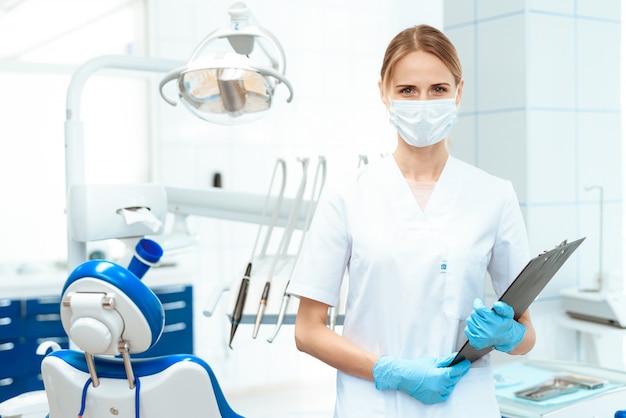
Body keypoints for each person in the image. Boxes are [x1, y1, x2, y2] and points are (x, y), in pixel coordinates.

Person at [287, 24, 536, 417]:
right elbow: (308, 330)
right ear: (385, 94)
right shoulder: (347, 194)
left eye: (438, 89)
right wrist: (390, 371)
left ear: (458, 92)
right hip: (372, 403)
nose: (423, 102)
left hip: (464, 403)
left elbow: (526, 336)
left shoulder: (494, 195)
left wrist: (508, 334)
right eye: (407, 90)